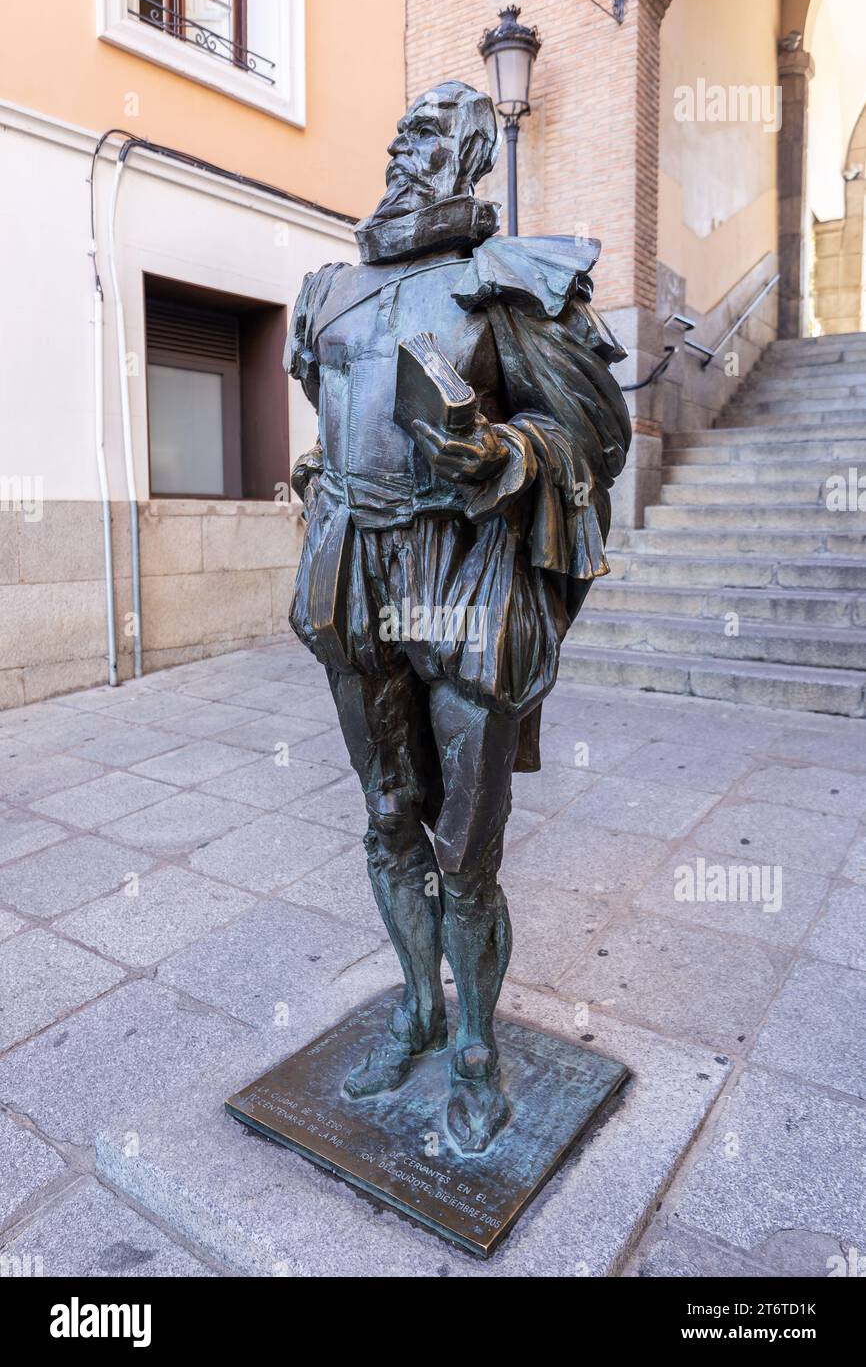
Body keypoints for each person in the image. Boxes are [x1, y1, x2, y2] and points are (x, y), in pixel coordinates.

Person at [287, 81, 631, 1153]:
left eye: (432, 133)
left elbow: (591, 435)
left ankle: (475, 1048)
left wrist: (505, 450)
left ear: (473, 158)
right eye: (403, 129)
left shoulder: (506, 285)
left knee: (464, 852)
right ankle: (417, 1007)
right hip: (352, 567)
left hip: (463, 567)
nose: (405, 144)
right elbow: (330, 412)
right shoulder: (325, 292)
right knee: (389, 816)